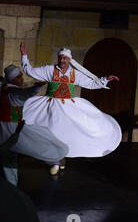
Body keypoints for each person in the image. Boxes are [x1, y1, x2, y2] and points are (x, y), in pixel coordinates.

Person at [20, 43, 122, 175]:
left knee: (68, 133)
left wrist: (105, 79)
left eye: (65, 58)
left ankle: (61, 158)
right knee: (51, 133)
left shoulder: (74, 74)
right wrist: (24, 56)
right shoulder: (50, 70)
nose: (62, 60)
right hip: (52, 106)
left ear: (69, 60)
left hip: (69, 107)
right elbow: (30, 71)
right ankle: (55, 161)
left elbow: (91, 83)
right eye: (60, 58)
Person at [0, 65, 68, 184]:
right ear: (11, 79)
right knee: (38, 142)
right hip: (10, 129)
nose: (22, 79)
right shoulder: (13, 93)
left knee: (9, 158)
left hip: (8, 128)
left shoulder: (4, 88)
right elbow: (24, 94)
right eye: (18, 77)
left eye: (21, 76)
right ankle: (56, 158)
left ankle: (11, 186)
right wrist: (37, 87)